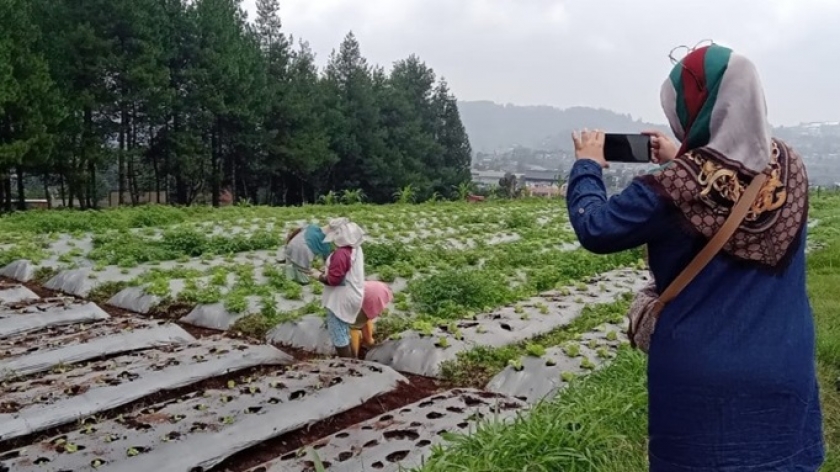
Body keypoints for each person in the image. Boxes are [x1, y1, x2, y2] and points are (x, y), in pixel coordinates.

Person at [566, 43, 822, 471]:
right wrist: (681, 154)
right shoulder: (791, 166)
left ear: (695, 111)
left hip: (701, 385)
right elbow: (733, 175)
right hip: (786, 365)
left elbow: (596, 227)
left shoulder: (673, 187)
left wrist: (587, 165)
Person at [310, 217, 367, 358]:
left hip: (341, 299)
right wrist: (328, 269)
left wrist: (317, 275)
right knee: (343, 332)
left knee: (339, 335)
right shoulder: (355, 249)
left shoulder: (341, 254)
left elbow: (334, 280)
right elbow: (343, 271)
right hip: (353, 294)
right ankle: (355, 363)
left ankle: (348, 366)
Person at [349, 280, 394, 357]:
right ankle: (369, 341)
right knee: (366, 316)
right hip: (378, 289)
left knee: (354, 327)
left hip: (368, 296)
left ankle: (354, 356)